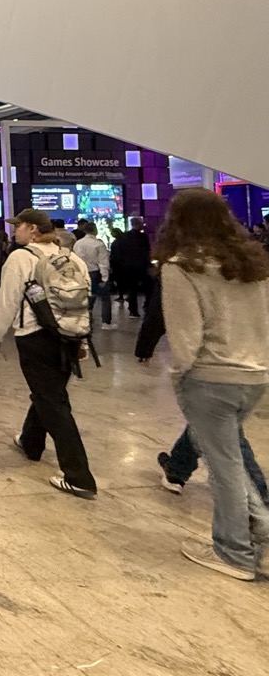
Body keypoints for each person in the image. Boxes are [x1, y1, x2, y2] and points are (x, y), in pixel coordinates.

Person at [152, 188, 269, 580]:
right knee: (230, 460)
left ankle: (234, 552)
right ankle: (260, 535)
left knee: (225, 469)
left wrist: (178, 375)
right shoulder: (251, 263)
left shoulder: (181, 267)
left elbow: (186, 336)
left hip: (209, 377)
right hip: (254, 375)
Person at [0, 208, 97, 500]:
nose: (15, 230)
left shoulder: (21, 258)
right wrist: (82, 339)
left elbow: (8, 299)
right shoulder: (72, 257)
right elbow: (84, 299)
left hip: (35, 336)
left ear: (32, 229)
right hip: (69, 336)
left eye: (19, 226)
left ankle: (78, 476)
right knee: (49, 392)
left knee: (53, 402)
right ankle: (31, 442)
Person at [135, 277, 268, 502]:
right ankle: (177, 468)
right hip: (253, 364)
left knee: (226, 429)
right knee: (211, 422)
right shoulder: (251, 269)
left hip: (212, 364)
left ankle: (258, 493)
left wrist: (145, 347)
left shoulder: (186, 267)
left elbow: (160, 312)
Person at [73, 223, 113, 328]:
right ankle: (106, 322)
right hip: (96, 272)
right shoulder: (98, 244)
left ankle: (86, 320)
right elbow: (103, 262)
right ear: (95, 230)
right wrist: (104, 278)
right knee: (105, 298)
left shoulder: (77, 244)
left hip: (82, 273)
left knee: (86, 297)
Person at [116, 216, 152, 318]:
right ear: (138, 224)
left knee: (132, 289)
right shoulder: (143, 237)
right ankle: (147, 306)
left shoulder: (124, 237)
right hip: (141, 265)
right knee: (148, 287)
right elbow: (146, 252)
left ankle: (133, 310)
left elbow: (120, 252)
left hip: (128, 266)